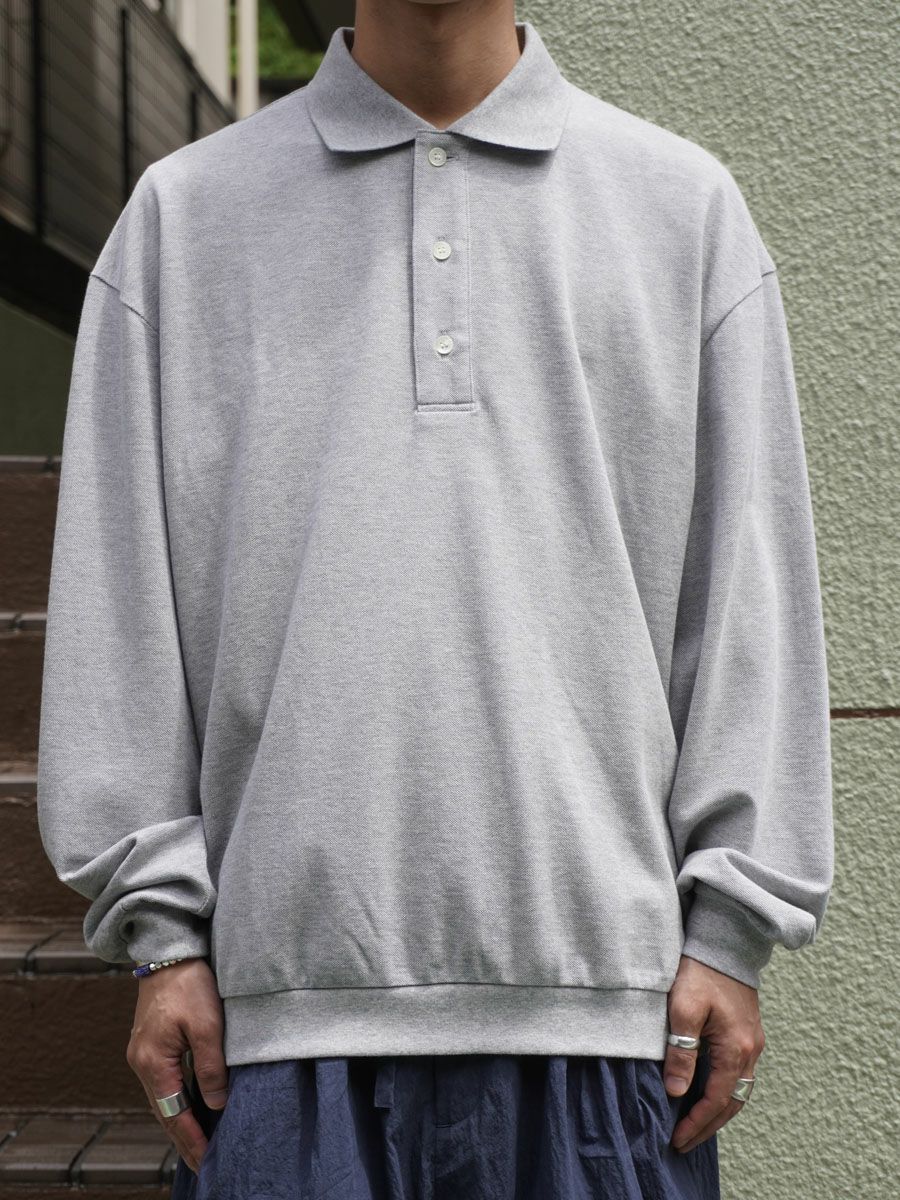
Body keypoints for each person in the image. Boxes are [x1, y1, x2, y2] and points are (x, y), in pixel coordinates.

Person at [36, 1, 834, 1197]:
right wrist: (162, 940)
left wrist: (730, 932)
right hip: (276, 1031)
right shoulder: (182, 218)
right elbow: (120, 604)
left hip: (610, 1024)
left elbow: (747, 597)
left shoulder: (683, 209)